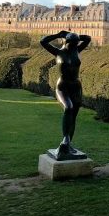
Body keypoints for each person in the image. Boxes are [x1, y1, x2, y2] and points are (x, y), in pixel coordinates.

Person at [40, 30, 91, 160]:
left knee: (73, 116)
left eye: (75, 43)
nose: (73, 45)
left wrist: (75, 35)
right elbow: (43, 41)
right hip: (63, 87)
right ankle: (65, 141)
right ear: (65, 42)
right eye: (71, 43)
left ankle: (67, 144)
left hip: (76, 86)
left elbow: (88, 38)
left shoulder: (77, 50)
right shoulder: (58, 52)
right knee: (68, 108)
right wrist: (58, 35)